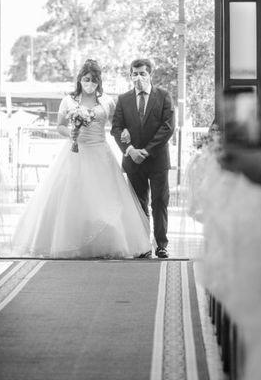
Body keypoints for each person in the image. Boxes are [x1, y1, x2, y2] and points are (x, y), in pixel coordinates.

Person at [10, 59, 152, 259]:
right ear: (80, 80)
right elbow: (60, 125)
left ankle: (107, 244)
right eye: (86, 79)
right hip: (75, 152)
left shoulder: (107, 101)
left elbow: (117, 124)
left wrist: (126, 132)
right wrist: (70, 133)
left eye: (94, 80)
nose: (90, 83)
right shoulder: (68, 101)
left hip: (101, 153)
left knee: (106, 201)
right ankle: (71, 242)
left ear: (99, 82)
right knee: (73, 199)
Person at [111, 59, 175, 259]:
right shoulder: (123, 99)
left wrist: (146, 151)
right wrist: (130, 150)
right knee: (138, 204)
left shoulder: (164, 96)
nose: (138, 77)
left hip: (156, 160)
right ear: (130, 76)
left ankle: (161, 244)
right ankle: (142, 244)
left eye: (142, 73)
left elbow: (168, 127)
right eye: (134, 74)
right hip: (133, 161)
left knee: (159, 202)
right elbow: (116, 128)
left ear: (150, 75)